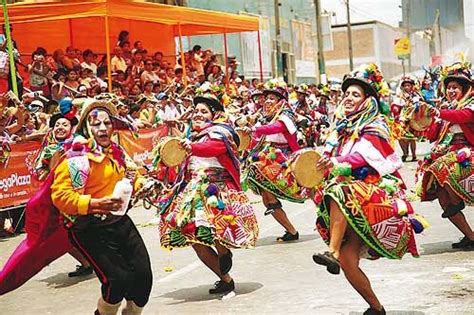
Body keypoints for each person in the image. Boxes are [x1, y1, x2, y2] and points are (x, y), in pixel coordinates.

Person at [312, 64, 422, 315]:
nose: (348, 98)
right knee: (348, 263)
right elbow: (331, 158)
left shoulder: (375, 126)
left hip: (373, 193)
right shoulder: (340, 129)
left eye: (355, 94)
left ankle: (331, 250)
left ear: (368, 100)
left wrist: (337, 165)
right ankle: (376, 308)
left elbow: (361, 159)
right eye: (346, 94)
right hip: (353, 197)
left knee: (339, 191)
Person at [50, 100, 152, 314]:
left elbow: (131, 177)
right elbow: (60, 195)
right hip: (89, 227)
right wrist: (93, 204)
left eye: (107, 123)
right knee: (118, 282)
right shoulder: (77, 159)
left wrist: (142, 186)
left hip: (120, 222)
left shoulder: (117, 153)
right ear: (87, 127)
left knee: (143, 279)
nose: (103, 128)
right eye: (96, 124)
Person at [157, 93, 258, 295]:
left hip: (217, 189)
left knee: (215, 227)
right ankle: (225, 279)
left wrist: (191, 147)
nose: (198, 114)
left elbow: (211, 148)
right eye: (196, 111)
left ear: (215, 115)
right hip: (191, 190)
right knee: (193, 239)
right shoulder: (191, 136)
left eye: (203, 111)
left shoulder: (222, 133)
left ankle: (223, 250)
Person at [418, 61, 474, 249]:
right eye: (448, 87)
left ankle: (458, 198)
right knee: (442, 197)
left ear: (464, 88)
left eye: (455, 87)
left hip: (467, 152)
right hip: (445, 155)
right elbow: (432, 135)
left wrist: (440, 112)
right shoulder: (445, 107)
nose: (451, 91)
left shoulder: (470, 104)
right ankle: (470, 236)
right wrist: (426, 120)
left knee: (444, 166)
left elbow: (462, 116)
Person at [244, 79, 307, 241]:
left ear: (281, 101)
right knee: (267, 199)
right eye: (267, 98)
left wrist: (254, 128)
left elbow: (276, 128)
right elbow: (255, 129)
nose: (267, 101)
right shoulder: (266, 117)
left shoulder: (286, 116)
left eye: (272, 98)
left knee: (257, 168)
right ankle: (291, 231)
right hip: (269, 156)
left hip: (285, 158)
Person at [394, 76, 423, 162]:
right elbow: (396, 106)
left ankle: (414, 155)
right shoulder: (400, 95)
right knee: (401, 137)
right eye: (405, 85)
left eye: (408, 85)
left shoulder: (416, 95)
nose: (407, 87)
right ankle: (405, 153)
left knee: (412, 138)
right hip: (402, 118)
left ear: (412, 86)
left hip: (412, 118)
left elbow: (420, 103)